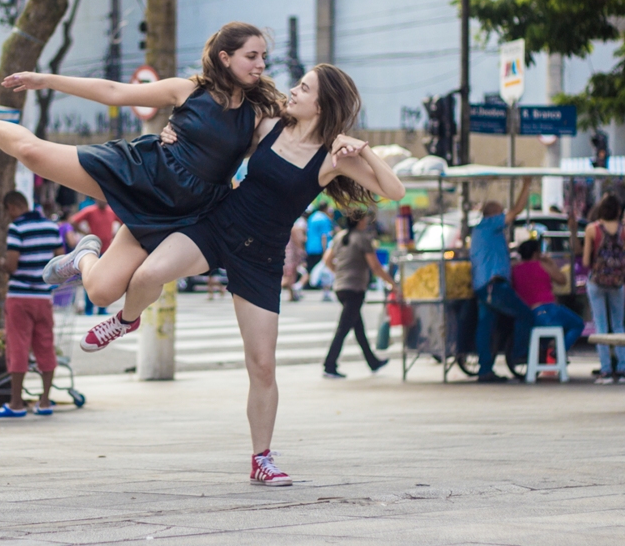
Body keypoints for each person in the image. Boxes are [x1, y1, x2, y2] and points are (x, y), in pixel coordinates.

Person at [83, 64, 405, 486]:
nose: (293, 89)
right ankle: (126, 320)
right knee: (148, 274)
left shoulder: (331, 158)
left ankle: (262, 458)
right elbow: (217, 135)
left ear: (321, 103)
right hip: (216, 227)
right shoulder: (268, 125)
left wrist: (361, 149)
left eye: (303, 87)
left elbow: (393, 190)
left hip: (262, 259)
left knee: (262, 366)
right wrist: (172, 137)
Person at [0, 22, 281, 325]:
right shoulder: (189, 90)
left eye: (263, 57)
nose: (261, 65)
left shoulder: (258, 114)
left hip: (182, 212)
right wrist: (45, 80)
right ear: (225, 57)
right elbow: (115, 92)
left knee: (101, 292)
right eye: (252, 56)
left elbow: (302, 129)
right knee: (32, 154)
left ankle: (83, 256)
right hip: (144, 173)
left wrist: (337, 140)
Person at [0, 191, 63, 418]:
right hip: (43, 297)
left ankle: (16, 404)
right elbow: (61, 260)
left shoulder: (17, 228)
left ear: (13, 206)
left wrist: (0, 264)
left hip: (20, 297)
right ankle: (44, 401)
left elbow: (12, 265)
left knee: (18, 347)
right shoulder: (51, 228)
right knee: (45, 346)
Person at [469, 180, 534, 383]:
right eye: (501, 212)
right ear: (494, 215)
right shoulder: (490, 224)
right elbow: (517, 210)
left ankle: (485, 369)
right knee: (526, 315)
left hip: (483, 286)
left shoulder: (481, 230)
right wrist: (526, 186)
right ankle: (518, 354)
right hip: (494, 286)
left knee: (486, 326)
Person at [321, 210, 396, 378]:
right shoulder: (362, 239)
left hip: (341, 287)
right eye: (365, 220)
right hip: (354, 289)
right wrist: (392, 283)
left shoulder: (339, 237)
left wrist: (339, 272)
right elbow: (375, 266)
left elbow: (327, 259)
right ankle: (329, 365)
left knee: (358, 329)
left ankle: (373, 362)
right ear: (360, 221)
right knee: (343, 329)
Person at [511, 239, 585, 354]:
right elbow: (562, 280)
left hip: (528, 313)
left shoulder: (515, 268)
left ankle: (547, 352)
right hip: (546, 311)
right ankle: (558, 352)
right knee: (577, 324)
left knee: (546, 332)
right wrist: (551, 263)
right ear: (536, 253)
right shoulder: (542, 265)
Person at [582, 193, 625, 383]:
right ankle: (623, 368)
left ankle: (606, 370)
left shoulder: (592, 229)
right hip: (618, 282)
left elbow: (585, 260)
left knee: (600, 326)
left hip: (597, 282)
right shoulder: (624, 230)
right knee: (618, 326)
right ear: (618, 211)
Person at [71, 200, 120, 316]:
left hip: (107, 250)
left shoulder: (111, 211)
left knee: (107, 280)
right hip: (93, 250)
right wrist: (86, 232)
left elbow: (125, 223)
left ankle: (102, 308)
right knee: (90, 279)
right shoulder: (90, 210)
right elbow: (73, 221)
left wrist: (116, 235)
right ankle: (89, 308)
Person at [305, 202, 333, 284]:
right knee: (321, 269)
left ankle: (309, 284)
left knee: (311, 268)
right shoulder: (324, 218)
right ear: (326, 208)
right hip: (319, 248)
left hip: (310, 247)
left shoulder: (312, 217)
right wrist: (325, 250)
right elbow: (324, 236)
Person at [282, 215, 307, 301]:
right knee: (289, 275)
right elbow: (297, 241)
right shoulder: (293, 228)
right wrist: (302, 250)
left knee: (291, 275)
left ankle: (291, 295)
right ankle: (269, 290)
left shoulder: (284, 226)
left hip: (287, 253)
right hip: (291, 255)